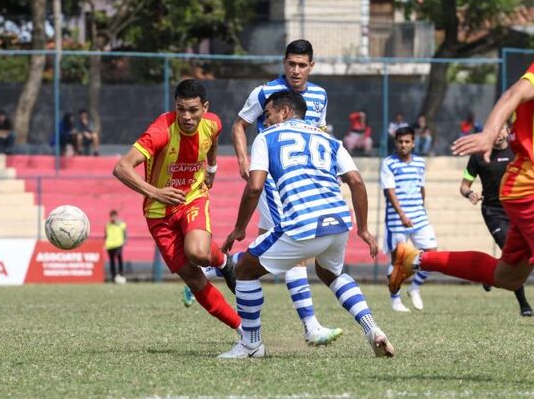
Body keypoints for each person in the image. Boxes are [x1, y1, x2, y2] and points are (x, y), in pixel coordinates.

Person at [219, 91, 394, 358]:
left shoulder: (266, 137)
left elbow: (255, 187)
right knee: (330, 274)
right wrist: (364, 229)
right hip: (337, 222)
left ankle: (251, 345)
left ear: (285, 112)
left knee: (244, 270)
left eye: (268, 115)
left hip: (301, 224)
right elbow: (357, 182)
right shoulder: (330, 139)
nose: (265, 122)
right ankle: (373, 328)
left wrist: (240, 228)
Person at [389, 54, 534, 308]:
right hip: (530, 188)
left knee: (508, 277)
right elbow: (512, 95)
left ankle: (414, 260)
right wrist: (489, 133)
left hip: (529, 189)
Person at [227, 39, 342, 346]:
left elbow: (319, 132)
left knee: (266, 245)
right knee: (297, 251)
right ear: (283, 63)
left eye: (302, 65)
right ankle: (311, 326)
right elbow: (239, 125)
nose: (296, 70)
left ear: (311, 66)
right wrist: (244, 160)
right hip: (274, 180)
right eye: (291, 63)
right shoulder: (265, 92)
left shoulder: (320, 95)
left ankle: (214, 266)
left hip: (304, 183)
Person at [113, 79, 241, 336]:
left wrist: (212, 169)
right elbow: (121, 168)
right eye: (181, 109)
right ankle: (244, 330)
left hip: (192, 197)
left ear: (205, 108)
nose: (187, 116)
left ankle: (222, 261)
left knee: (198, 253)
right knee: (194, 279)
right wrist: (156, 192)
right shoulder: (160, 131)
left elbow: (213, 142)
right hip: (158, 213)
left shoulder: (213, 123)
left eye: (193, 110)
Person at [460, 124, 534, 316]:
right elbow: (464, 185)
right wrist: (469, 194)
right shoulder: (478, 156)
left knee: (517, 255)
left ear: (508, 131)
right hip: (493, 212)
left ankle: (490, 274)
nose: (498, 133)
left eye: (502, 128)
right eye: (495, 129)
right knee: (514, 257)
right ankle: (524, 305)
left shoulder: (518, 152)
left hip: (518, 210)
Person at [382, 126, 437, 312]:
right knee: (396, 262)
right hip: (397, 220)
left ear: (413, 143)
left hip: (418, 217)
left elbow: (422, 187)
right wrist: (402, 215)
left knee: (432, 254)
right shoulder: (388, 163)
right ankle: (395, 300)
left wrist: (420, 208)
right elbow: (390, 191)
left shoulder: (420, 163)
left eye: (407, 142)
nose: (403, 145)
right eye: (400, 142)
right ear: (395, 143)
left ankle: (414, 288)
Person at [105, 209, 127, 284]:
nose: (113, 218)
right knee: (112, 262)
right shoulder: (108, 225)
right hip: (110, 245)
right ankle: (113, 277)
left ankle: (121, 274)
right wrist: (105, 243)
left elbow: (125, 234)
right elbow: (106, 235)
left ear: (116, 216)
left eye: (114, 216)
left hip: (118, 244)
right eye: (112, 216)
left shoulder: (122, 224)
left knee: (119, 257)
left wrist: (124, 241)